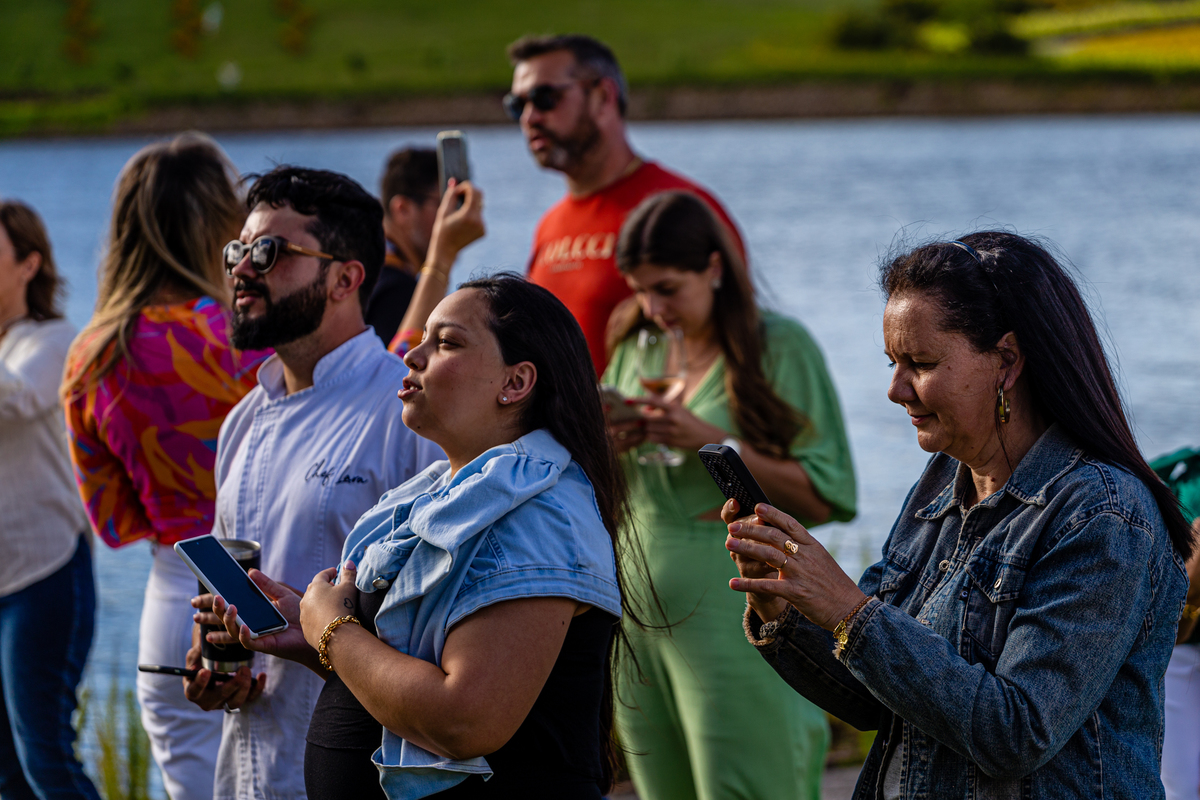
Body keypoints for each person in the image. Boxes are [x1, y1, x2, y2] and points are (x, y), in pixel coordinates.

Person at [725, 232, 1193, 798]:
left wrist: (852, 611)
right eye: (892, 362)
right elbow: (876, 700)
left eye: (919, 363)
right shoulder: (942, 483)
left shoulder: (1104, 515)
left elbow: (1018, 731)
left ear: (1007, 362)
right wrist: (786, 608)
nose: (896, 389)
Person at [205, 274, 642, 799]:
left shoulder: (540, 514)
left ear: (516, 383)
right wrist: (314, 642)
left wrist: (335, 632)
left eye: (448, 342)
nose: (412, 355)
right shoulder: (441, 494)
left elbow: (464, 722)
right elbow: (410, 680)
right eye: (423, 339)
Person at [178, 165, 442, 800]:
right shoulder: (244, 418)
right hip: (245, 772)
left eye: (269, 252)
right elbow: (228, 589)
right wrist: (213, 659)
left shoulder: (407, 413)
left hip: (353, 770)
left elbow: (442, 628)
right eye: (238, 250)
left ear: (345, 277)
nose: (243, 268)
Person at [602, 191, 856, 800]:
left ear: (714, 269)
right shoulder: (635, 346)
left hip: (735, 615)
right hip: (636, 618)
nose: (653, 308)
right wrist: (608, 439)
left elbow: (828, 492)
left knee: (749, 786)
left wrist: (712, 440)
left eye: (668, 289)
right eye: (640, 290)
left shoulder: (779, 346)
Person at [61, 134, 270, 800]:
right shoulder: (250, 336)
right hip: (266, 591)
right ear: (221, 223)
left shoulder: (91, 355)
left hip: (169, 594)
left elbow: (115, 520)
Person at [506, 34, 744, 375]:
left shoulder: (682, 206)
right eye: (517, 105)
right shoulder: (550, 223)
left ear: (602, 96)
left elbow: (742, 344)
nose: (529, 118)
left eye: (545, 98)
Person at [0, 201, 100, 800]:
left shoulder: (55, 339)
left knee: (47, 763)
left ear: (28, 264)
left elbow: (12, 399)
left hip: (45, 579)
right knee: (8, 777)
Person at [363, 147, 439, 344]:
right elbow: (402, 369)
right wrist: (444, 255)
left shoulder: (367, 266)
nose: (453, 217)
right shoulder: (396, 289)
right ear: (403, 210)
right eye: (442, 203)